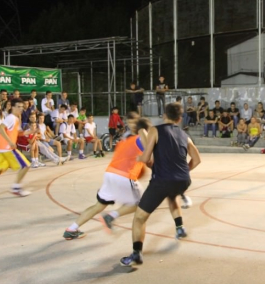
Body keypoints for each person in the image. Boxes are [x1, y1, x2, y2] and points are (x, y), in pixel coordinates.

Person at [120, 103, 201, 266]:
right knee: (172, 195)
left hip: (162, 180)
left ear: (164, 115)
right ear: (179, 119)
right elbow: (197, 159)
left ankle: (136, 253)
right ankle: (179, 227)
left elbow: (145, 158)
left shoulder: (155, 130)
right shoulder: (185, 135)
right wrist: (183, 172)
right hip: (183, 180)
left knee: (139, 218)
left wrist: (135, 158)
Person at [63, 117, 151, 240]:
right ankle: (111, 216)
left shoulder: (125, 141)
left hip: (111, 173)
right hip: (124, 175)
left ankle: (71, 229)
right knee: (141, 204)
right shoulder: (141, 140)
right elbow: (150, 159)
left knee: (99, 205)